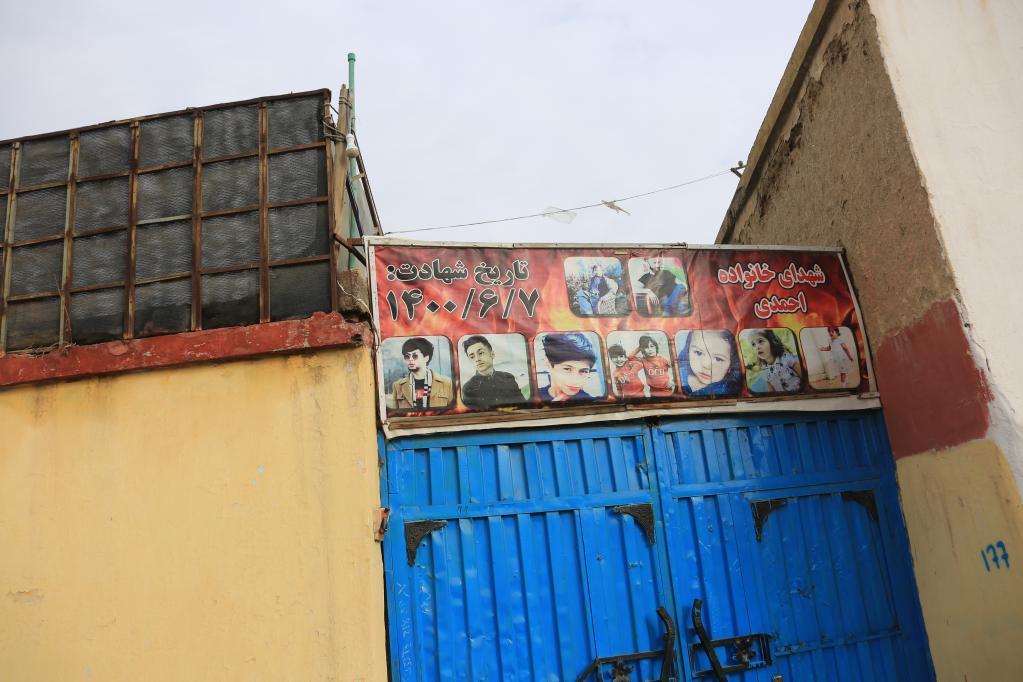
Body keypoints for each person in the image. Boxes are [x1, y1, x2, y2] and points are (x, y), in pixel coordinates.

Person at [460, 335, 527, 409]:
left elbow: (523, 407)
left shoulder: (508, 378)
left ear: (492, 354)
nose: (477, 359)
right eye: (472, 357)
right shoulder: (469, 388)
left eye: (481, 353)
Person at [389, 337, 453, 410]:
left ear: (426, 358)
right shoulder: (397, 386)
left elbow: (451, 412)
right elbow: (396, 414)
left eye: (415, 356)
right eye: (407, 356)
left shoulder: (447, 383)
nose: (410, 359)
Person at [679, 330, 743, 398]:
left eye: (718, 359)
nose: (706, 365)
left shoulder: (729, 391)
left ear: (731, 365)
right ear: (688, 351)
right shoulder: (677, 374)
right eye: (698, 353)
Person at [538, 333, 600, 402]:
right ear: (548, 365)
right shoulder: (535, 397)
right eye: (567, 369)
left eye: (583, 371)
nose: (575, 381)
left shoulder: (590, 402)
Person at [745, 329, 802, 393]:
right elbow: (771, 390)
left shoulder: (785, 357)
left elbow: (803, 375)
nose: (757, 347)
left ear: (771, 341)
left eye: (760, 341)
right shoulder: (764, 370)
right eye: (753, 344)